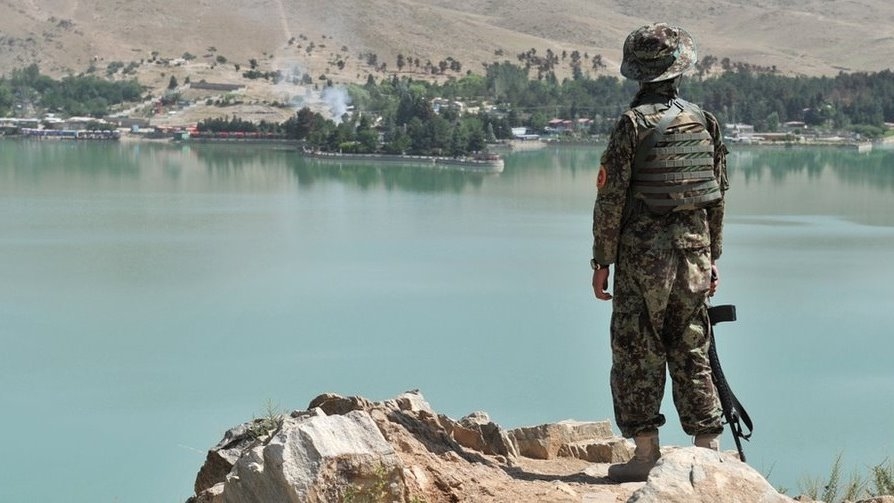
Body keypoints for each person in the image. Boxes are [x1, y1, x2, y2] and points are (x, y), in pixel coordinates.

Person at [591, 22, 730, 483]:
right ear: (680, 69)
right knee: (692, 346)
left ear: (635, 71)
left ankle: (646, 455)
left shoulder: (632, 125)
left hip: (642, 260)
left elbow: (610, 201)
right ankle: (707, 453)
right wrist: (712, 258)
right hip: (694, 254)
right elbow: (716, 196)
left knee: (637, 349)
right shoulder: (704, 121)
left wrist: (602, 261)